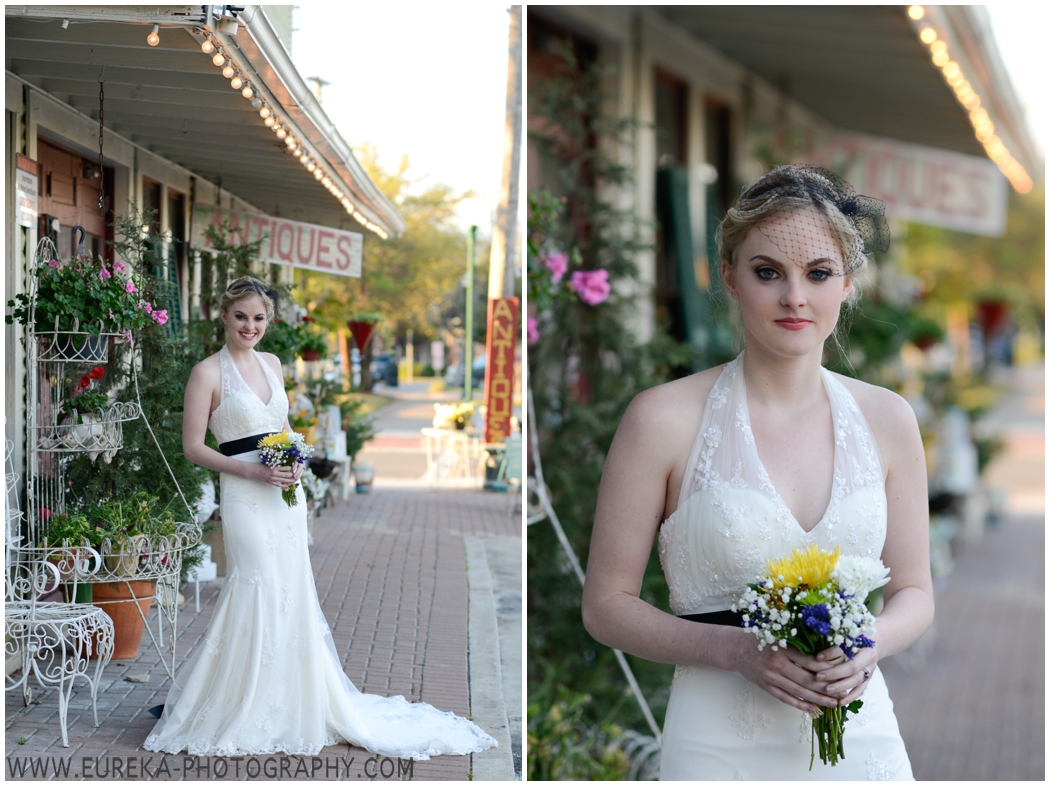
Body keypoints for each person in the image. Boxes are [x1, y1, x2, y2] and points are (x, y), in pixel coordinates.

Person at [580, 166, 933, 780]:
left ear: (847, 283)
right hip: (718, 747)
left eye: (818, 274)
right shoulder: (661, 419)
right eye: (768, 272)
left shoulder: (888, 419)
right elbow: (606, 604)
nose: (795, 297)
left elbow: (915, 593)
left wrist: (870, 643)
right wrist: (733, 650)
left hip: (861, 742)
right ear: (730, 278)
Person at [144, 276, 497, 758]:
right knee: (256, 584)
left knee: (291, 590)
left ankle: (289, 700)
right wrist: (250, 470)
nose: (250, 326)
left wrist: (295, 461)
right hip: (245, 495)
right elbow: (192, 447)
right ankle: (236, 702)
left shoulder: (272, 364)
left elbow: (283, 427)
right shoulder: (206, 373)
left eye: (259, 318)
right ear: (223, 316)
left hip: (284, 495)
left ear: (268, 321)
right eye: (241, 316)